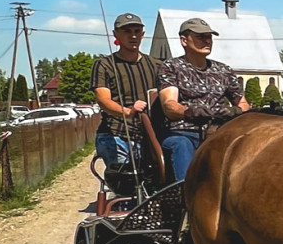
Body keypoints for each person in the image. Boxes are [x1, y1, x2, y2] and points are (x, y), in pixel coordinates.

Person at [158, 18, 250, 180]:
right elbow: (169, 105)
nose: (207, 41)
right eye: (201, 37)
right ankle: (187, 194)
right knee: (181, 145)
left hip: (218, 131)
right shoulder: (171, 67)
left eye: (209, 37)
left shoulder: (223, 70)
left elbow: (243, 103)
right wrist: (190, 112)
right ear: (184, 40)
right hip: (184, 133)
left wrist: (236, 111)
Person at [90, 13, 160, 167]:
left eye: (136, 31)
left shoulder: (156, 64)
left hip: (150, 135)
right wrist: (128, 112)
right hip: (116, 134)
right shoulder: (105, 64)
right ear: (116, 34)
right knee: (126, 183)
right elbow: (103, 100)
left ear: (143, 34)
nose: (133, 36)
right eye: (127, 31)